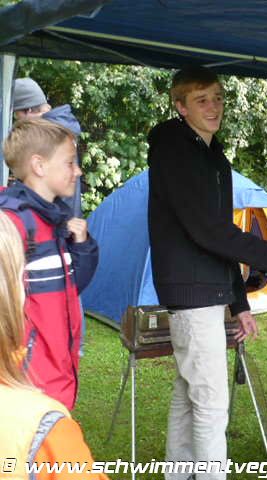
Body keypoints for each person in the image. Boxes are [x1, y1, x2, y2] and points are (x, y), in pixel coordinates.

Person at [147, 66, 267, 480]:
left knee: (189, 397)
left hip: (207, 290)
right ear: (180, 106)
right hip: (191, 292)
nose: (214, 107)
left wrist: (239, 303)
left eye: (218, 98)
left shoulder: (211, 155)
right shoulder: (175, 151)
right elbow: (208, 231)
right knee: (210, 404)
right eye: (201, 100)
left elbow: (220, 235)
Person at [0, 210, 107, 480]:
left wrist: (82, 245)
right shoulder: (42, 427)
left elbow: (74, 283)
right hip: (34, 396)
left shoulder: (55, 217)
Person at [1, 119, 99, 411]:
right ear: (39, 166)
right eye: (70, 162)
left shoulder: (53, 219)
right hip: (28, 386)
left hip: (57, 378)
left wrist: (82, 246)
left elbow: (69, 288)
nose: (77, 171)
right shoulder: (13, 224)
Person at [12, 77, 83, 216]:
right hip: (66, 216)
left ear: (28, 110)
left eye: (16, 115)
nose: (17, 121)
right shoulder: (61, 127)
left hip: (53, 220)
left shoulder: (46, 135)